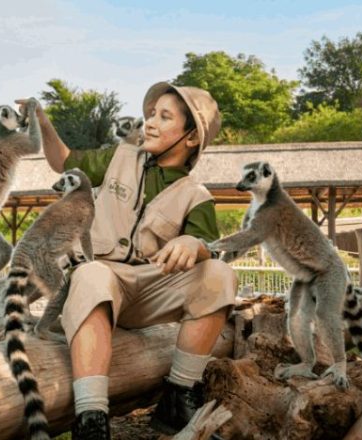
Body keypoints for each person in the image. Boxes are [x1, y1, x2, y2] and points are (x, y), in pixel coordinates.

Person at [18, 82, 236, 439]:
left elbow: (209, 247)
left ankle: (179, 394)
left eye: (164, 117)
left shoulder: (197, 196)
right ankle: (91, 418)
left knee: (220, 275)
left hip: (151, 293)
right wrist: (41, 121)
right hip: (102, 282)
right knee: (90, 275)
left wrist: (191, 243)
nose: (149, 122)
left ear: (191, 138)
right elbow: (63, 161)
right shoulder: (119, 156)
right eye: (151, 114)